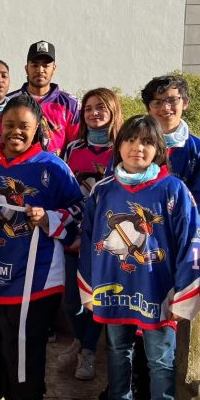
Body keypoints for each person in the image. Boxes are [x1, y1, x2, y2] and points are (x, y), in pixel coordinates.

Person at [0, 95, 83, 400]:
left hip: (35, 274)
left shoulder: (54, 168)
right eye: (9, 125)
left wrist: (48, 218)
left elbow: (79, 212)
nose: (16, 131)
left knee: (24, 342)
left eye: (24, 126)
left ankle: (22, 398)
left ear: (37, 128)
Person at [78, 115, 200, 400]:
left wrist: (183, 297)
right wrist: (88, 289)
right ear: (119, 145)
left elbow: (191, 245)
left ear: (158, 149)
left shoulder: (174, 190)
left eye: (147, 141)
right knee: (117, 351)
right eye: (131, 140)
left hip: (158, 291)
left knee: (161, 359)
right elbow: (87, 242)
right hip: (112, 288)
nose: (138, 147)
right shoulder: (102, 191)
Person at [60, 88, 123, 381]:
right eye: (88, 108)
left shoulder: (123, 147)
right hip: (74, 233)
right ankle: (79, 339)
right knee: (72, 299)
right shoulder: (73, 148)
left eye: (101, 107)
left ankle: (86, 351)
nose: (94, 113)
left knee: (96, 296)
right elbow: (64, 190)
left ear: (112, 111)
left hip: (107, 236)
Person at [141, 75, 200, 212]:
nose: (165, 108)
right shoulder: (132, 143)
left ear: (185, 103)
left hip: (177, 225)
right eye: (157, 102)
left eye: (172, 100)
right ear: (148, 108)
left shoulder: (198, 149)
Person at [8, 40, 80, 157]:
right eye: (35, 65)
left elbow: (75, 147)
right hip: (18, 171)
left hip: (56, 171)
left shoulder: (71, 104)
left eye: (46, 65)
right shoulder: (10, 102)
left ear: (54, 68)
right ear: (26, 68)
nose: (40, 70)